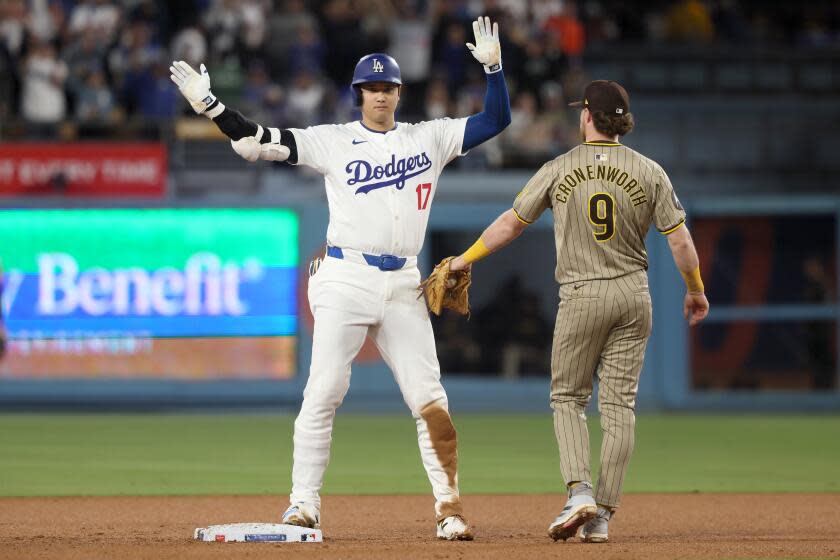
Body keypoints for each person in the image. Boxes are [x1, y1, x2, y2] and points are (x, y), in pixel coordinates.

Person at [170, 16, 511, 541]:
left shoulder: (431, 138)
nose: (379, 95)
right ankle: (302, 505)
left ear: (399, 93)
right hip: (346, 276)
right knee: (323, 391)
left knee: (431, 400)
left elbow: (495, 120)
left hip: (404, 284)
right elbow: (259, 139)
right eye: (370, 88)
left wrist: (493, 68)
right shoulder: (333, 141)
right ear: (358, 95)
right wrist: (211, 106)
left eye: (387, 87)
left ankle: (450, 508)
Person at [446, 80, 709, 542]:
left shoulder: (560, 167)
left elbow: (512, 223)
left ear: (588, 115)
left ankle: (580, 492)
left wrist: (464, 260)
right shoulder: (650, 171)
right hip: (634, 295)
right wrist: (696, 290)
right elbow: (681, 242)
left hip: (583, 293)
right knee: (619, 406)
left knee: (568, 397)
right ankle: (603, 515)